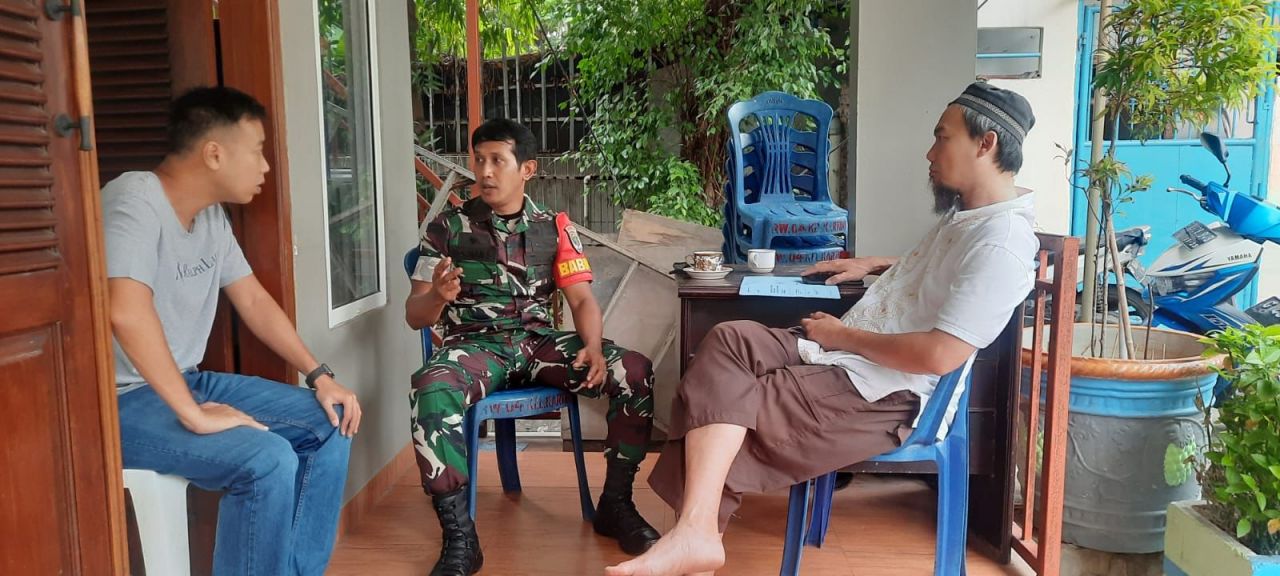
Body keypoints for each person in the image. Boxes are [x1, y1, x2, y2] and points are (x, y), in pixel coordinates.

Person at [606, 82, 1039, 576]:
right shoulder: (971, 217)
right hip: (847, 356)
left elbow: (939, 355)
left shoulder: (1002, 244)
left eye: (942, 137)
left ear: (986, 144)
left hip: (884, 390)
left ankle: (696, 535)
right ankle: (698, 533)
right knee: (729, 339)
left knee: (744, 399)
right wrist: (878, 264)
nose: (930, 152)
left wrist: (841, 336)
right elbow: (946, 274)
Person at [105, 86, 361, 575]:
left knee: (331, 420)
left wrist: (319, 376)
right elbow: (126, 310)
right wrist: (194, 415)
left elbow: (254, 301)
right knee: (266, 458)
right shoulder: (133, 199)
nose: (265, 167)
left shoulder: (211, 217)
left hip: (185, 381)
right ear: (214, 153)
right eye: (257, 151)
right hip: (117, 402)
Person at [405, 118, 661, 575]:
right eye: (478, 160)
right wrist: (437, 298)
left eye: (497, 161)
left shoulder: (553, 227)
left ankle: (616, 505)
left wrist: (593, 347)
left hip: (538, 343)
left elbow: (581, 300)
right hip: (475, 346)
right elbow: (414, 315)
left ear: (527, 169)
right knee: (430, 386)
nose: (484, 171)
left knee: (634, 371)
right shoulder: (446, 228)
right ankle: (460, 537)